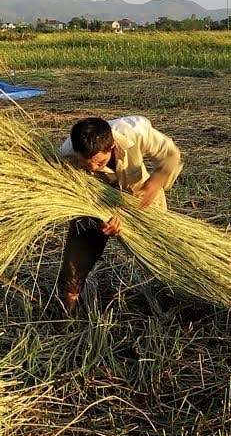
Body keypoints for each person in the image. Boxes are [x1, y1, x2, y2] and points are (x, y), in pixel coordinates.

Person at [53, 114, 183, 315]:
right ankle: (67, 313)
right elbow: (70, 201)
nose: (93, 168)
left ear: (111, 147)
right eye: (87, 164)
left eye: (99, 162)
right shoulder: (67, 156)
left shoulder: (135, 132)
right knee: (74, 265)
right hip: (95, 205)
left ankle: (171, 297)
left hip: (141, 197)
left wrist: (157, 181)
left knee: (161, 254)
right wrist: (98, 220)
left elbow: (171, 156)